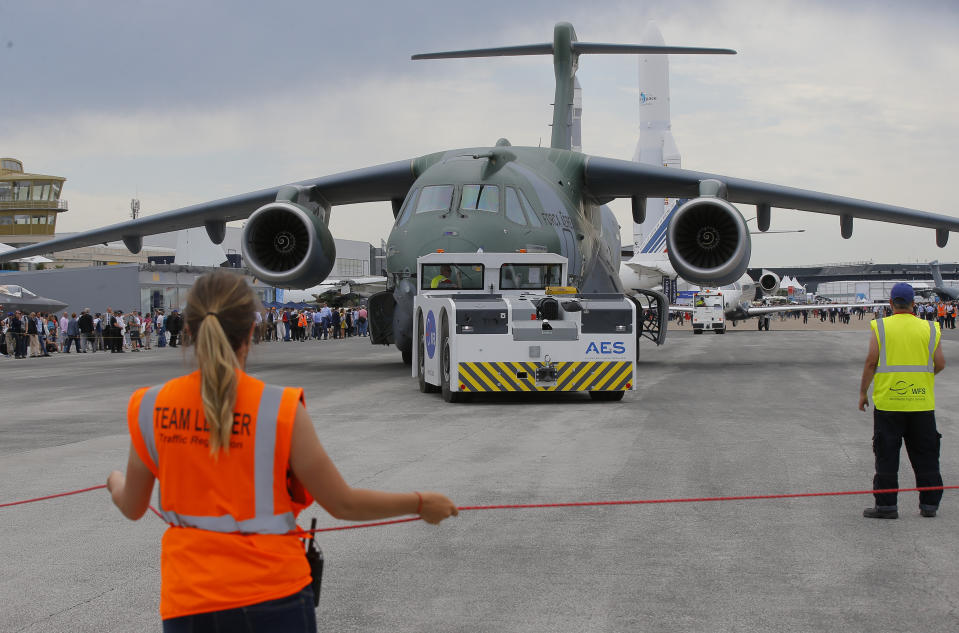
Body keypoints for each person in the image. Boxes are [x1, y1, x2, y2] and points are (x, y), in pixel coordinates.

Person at [105, 271, 457, 630]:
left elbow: (132, 506)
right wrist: (418, 502)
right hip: (273, 596)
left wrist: (115, 481)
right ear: (252, 335)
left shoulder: (150, 406)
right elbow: (343, 503)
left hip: (191, 603)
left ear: (188, 333)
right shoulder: (279, 409)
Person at [858, 283, 945, 519]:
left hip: (889, 403)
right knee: (926, 455)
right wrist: (921, 379)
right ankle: (929, 505)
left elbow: (871, 362)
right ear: (914, 304)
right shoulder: (930, 328)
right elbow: (940, 363)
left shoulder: (881, 327)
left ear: (891, 303)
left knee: (887, 455)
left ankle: (886, 506)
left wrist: (863, 392)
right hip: (921, 403)